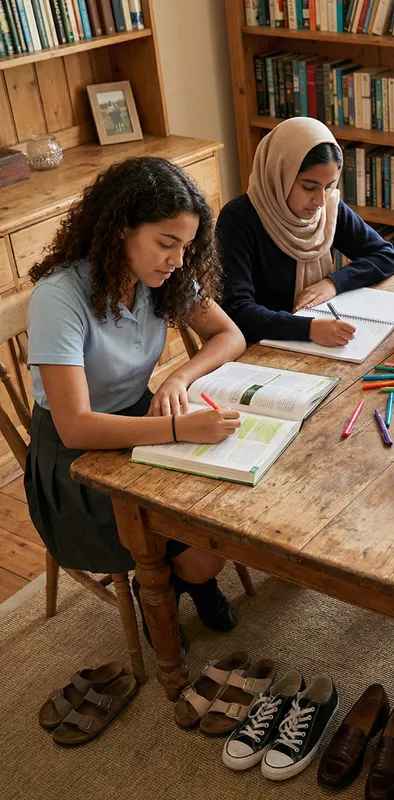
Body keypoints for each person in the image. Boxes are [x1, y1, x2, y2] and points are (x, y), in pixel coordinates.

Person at [24, 157, 248, 647]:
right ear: (121, 229)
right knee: (195, 543)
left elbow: (230, 335)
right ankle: (165, 591)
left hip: (142, 418)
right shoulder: (59, 296)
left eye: (186, 247)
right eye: (166, 243)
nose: (175, 260)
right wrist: (177, 430)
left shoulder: (161, 276)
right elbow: (76, 427)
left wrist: (177, 379)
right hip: (75, 461)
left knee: (220, 521)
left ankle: (186, 581)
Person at [217, 117, 394, 347]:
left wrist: (332, 283)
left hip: (316, 342)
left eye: (330, 186)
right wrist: (308, 328)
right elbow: (237, 312)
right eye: (309, 187)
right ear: (279, 174)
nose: (321, 200)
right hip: (260, 348)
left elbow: (384, 256)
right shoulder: (238, 220)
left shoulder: (328, 210)